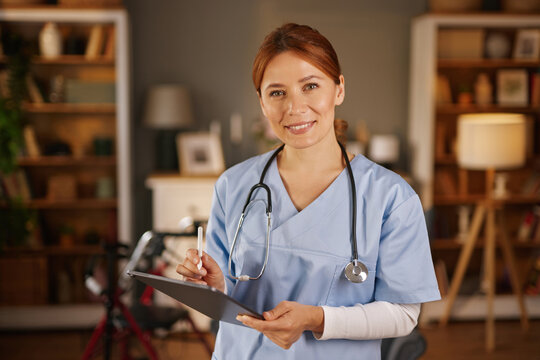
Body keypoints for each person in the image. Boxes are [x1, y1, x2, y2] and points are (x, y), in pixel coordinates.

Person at [176, 23, 440, 359]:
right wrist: (214, 286)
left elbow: (403, 315)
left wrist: (317, 319)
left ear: (339, 89)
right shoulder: (234, 185)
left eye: (310, 86)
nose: (294, 108)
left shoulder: (391, 197)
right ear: (261, 101)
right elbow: (226, 294)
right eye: (277, 92)